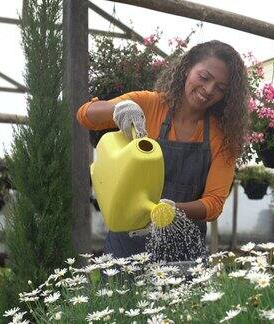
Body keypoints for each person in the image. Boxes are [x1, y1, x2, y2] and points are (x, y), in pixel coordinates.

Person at [76, 40, 249, 261]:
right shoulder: (149, 105)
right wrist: (116, 109)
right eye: (204, 78)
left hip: (183, 250)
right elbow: (85, 115)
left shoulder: (222, 137)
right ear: (187, 68)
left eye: (220, 88)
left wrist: (171, 210)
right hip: (127, 246)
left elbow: (213, 204)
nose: (208, 90)